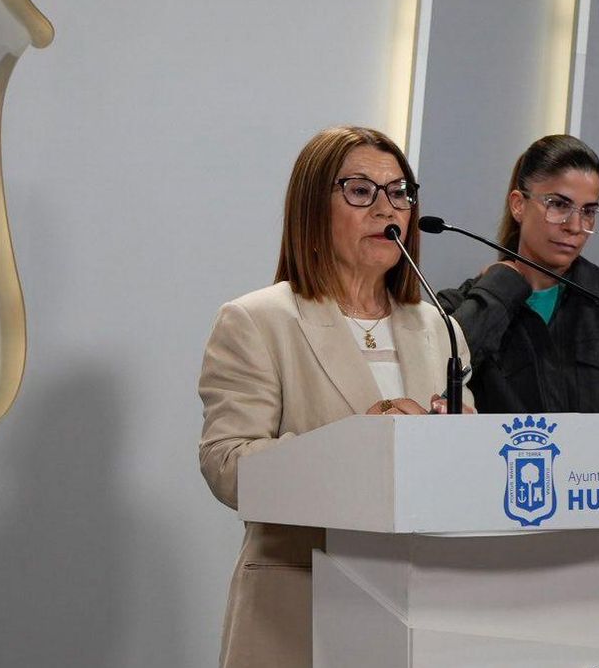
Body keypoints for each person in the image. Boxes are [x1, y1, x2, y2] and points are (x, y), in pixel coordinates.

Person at [198, 125, 473, 668]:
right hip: (301, 602)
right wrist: (355, 442)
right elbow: (226, 465)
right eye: (360, 191)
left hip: (425, 604)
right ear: (312, 209)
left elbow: (465, 473)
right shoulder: (258, 320)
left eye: (398, 192)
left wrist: (460, 443)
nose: (385, 208)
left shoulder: (439, 326)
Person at [435, 133, 599, 654]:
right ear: (519, 204)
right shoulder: (459, 307)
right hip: (516, 566)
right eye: (558, 205)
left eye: (589, 212)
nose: (575, 228)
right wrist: (506, 286)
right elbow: (443, 374)